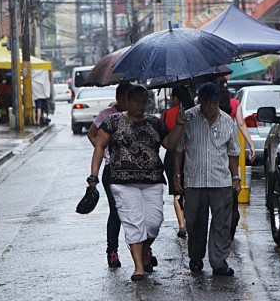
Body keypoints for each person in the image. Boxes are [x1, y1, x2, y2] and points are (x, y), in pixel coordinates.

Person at [89, 85, 185, 281]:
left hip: (153, 181)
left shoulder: (154, 123)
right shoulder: (113, 121)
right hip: (123, 183)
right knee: (133, 222)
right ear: (127, 101)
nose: (139, 106)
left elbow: (169, 144)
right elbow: (99, 146)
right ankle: (138, 267)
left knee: (154, 222)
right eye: (135, 101)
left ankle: (144, 249)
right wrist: (93, 176)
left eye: (143, 102)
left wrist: (180, 125)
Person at [174, 82, 241, 276]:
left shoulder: (227, 120)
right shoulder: (189, 117)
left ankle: (219, 262)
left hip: (221, 181)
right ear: (200, 101)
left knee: (222, 222)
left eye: (215, 103)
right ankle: (195, 258)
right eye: (207, 103)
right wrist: (177, 175)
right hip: (194, 181)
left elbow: (234, 152)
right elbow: (178, 150)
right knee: (194, 221)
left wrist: (236, 177)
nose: (211, 107)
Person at [87, 82, 131, 268]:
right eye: (128, 99)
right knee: (116, 210)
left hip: (134, 170)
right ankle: (112, 251)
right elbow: (92, 134)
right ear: (119, 98)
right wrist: (103, 150)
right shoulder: (106, 115)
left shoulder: (137, 115)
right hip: (112, 169)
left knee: (136, 211)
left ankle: (144, 250)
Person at [216, 77, 255, 240]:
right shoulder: (234, 104)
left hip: (214, 149)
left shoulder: (210, 105)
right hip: (230, 148)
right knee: (232, 180)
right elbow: (241, 124)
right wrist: (250, 144)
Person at [161, 87, 194, 238]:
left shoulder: (167, 114)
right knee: (190, 189)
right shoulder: (194, 114)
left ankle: (181, 224)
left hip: (172, 154)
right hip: (191, 155)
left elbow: (162, 138)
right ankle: (189, 220)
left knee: (177, 191)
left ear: (175, 98)